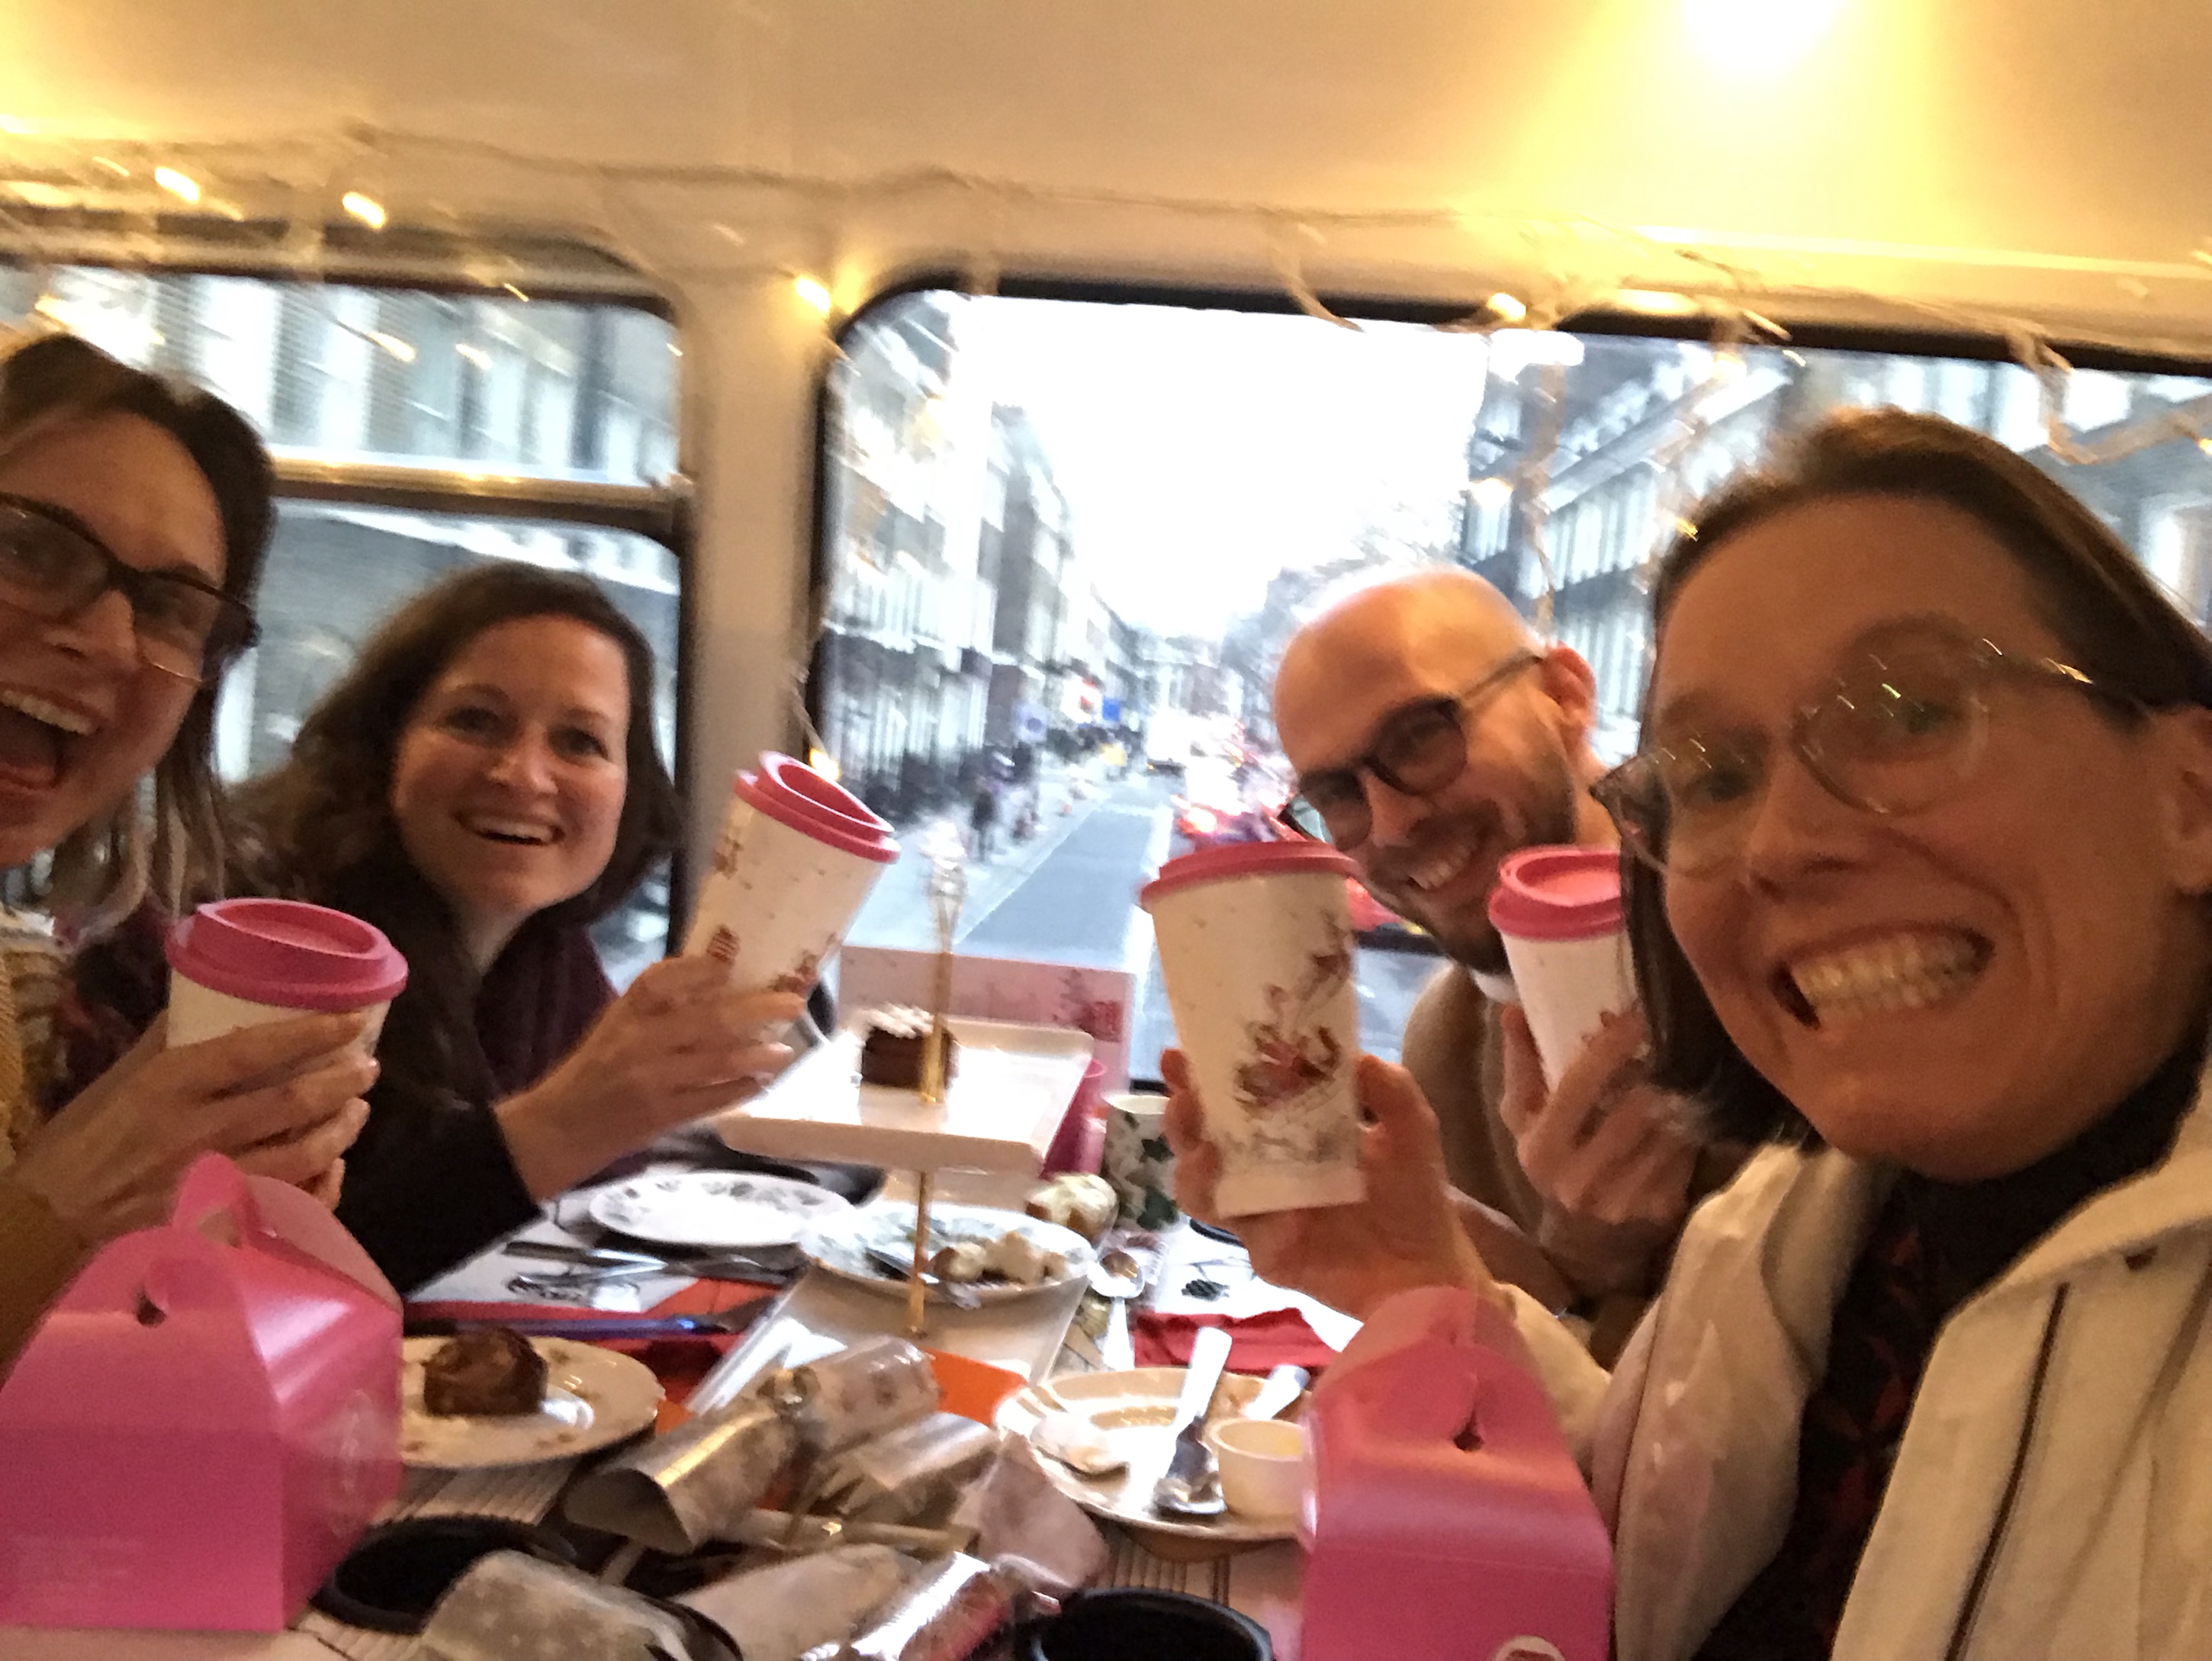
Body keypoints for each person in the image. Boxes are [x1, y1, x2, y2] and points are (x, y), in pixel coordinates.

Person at [1174, 407, 2212, 1658]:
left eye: (1908, 710)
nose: (1782, 841)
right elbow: (1636, 1540)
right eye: (1717, 774)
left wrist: (1592, 1268)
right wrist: (1416, 1277)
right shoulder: (1807, 1210)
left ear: (2191, 794)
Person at [69, 564, 808, 1291]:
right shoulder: (267, 951)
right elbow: (237, 1285)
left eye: (579, 741)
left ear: (630, 789)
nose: (523, 775)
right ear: (385, 744)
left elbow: (603, 1184)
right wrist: (558, 1127)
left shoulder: (544, 959)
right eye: (475, 721)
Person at [0, 333, 371, 1374]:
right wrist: (62, 1215)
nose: (111, 641)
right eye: (29, 549)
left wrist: (208, 1255)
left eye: (170, 609)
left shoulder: (27, 988)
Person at [1273, 569, 1731, 1336]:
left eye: (1419, 738)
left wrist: (1581, 1268)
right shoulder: (1446, 1041)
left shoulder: (1755, 959)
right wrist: (1508, 1267)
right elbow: (1511, 1397)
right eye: (1338, 797)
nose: (1389, 825)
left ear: (1564, 696)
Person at [969, 778, 998, 861]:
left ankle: (983, 854)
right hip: (980, 820)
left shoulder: (987, 798)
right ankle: (980, 854)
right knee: (980, 838)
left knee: (983, 838)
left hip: (984, 820)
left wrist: (990, 819)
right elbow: (975, 809)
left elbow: (991, 810)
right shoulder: (982, 797)